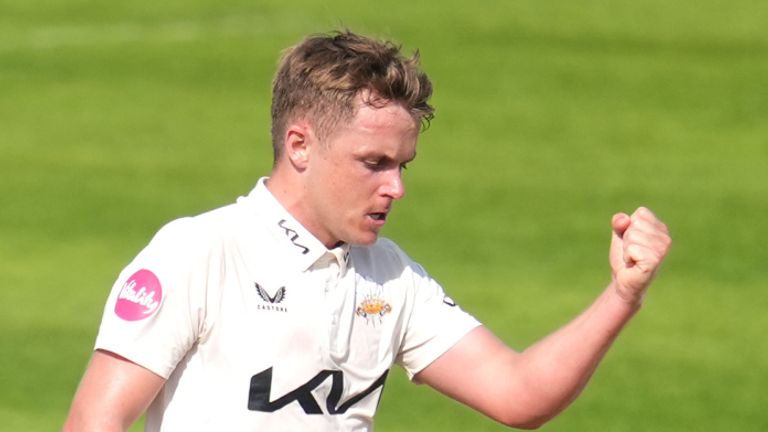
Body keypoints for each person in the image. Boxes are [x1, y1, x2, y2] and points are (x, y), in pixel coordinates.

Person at [64, 30, 671, 431]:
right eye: (373, 163)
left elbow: (519, 394)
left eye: (402, 165)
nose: (396, 188)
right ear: (300, 144)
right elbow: (96, 421)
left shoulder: (392, 278)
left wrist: (622, 295)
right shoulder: (202, 252)